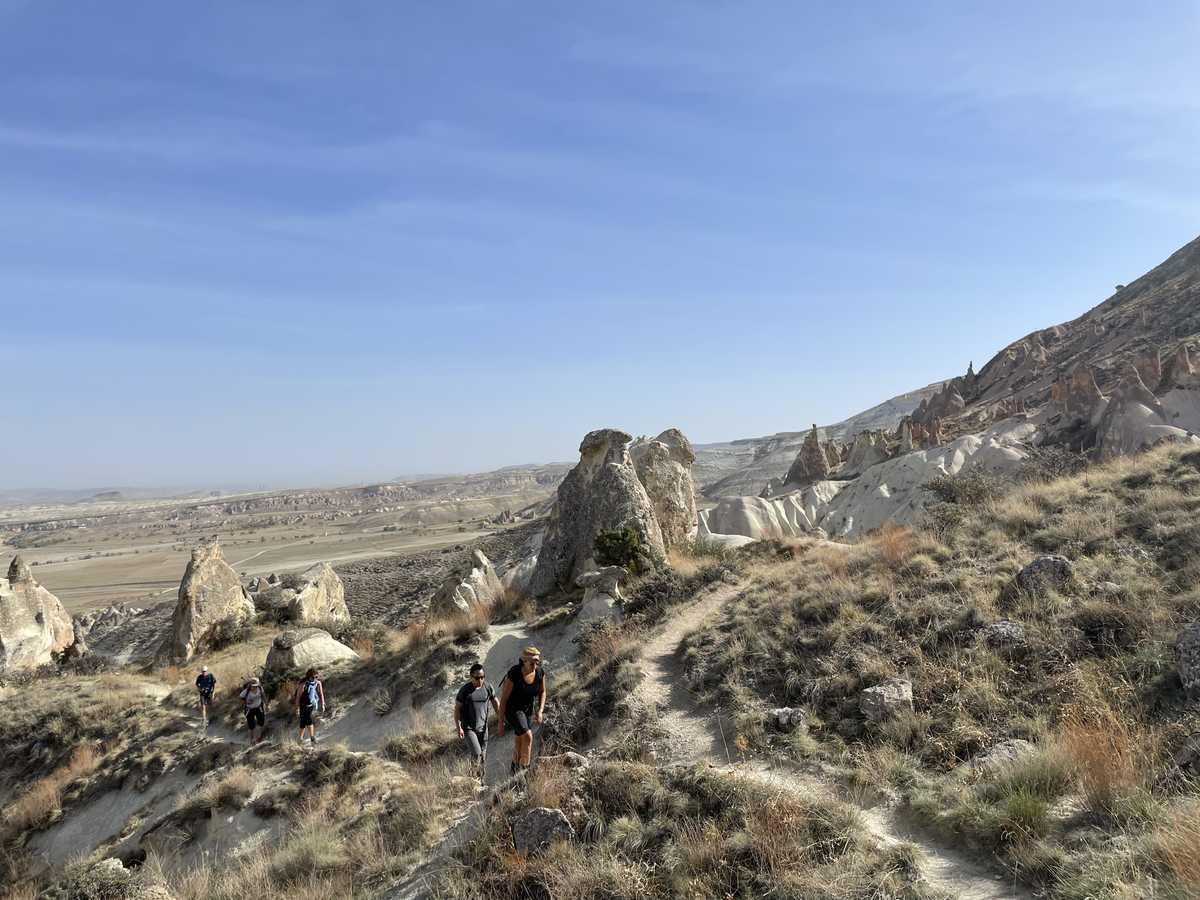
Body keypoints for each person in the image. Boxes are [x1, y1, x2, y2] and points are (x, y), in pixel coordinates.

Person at [496, 646, 546, 776]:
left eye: (537, 662)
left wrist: (540, 710)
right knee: (528, 736)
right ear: (524, 661)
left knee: (519, 740)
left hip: (527, 709)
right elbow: (504, 699)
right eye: (532, 662)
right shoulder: (515, 673)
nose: (535, 665)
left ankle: (513, 772)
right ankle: (524, 774)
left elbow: (542, 691)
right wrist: (501, 722)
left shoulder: (540, 673)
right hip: (513, 709)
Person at [454, 662, 500, 781]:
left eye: (482, 677)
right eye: (477, 677)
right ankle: (473, 778)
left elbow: (495, 702)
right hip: (469, 728)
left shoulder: (488, 687)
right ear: (471, 677)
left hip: (483, 728)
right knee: (476, 753)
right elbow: (457, 710)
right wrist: (459, 727)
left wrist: (501, 718)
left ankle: (480, 780)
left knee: (483, 756)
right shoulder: (465, 690)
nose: (480, 680)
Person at [291, 668, 325, 747]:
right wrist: (297, 709)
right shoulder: (303, 684)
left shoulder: (318, 683)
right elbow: (298, 697)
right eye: (313, 677)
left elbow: (321, 693)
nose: (315, 679)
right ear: (309, 677)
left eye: (316, 677)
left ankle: (302, 738)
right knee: (307, 721)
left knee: (305, 721)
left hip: (311, 705)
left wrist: (323, 704)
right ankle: (311, 738)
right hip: (303, 706)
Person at [240, 676, 268, 743]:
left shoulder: (260, 688)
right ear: (250, 685)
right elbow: (241, 698)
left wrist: (266, 704)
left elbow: (263, 695)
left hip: (259, 707)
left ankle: (258, 738)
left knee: (261, 722)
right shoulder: (246, 691)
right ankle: (251, 740)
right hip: (249, 709)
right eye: (253, 686)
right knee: (251, 726)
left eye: (256, 685)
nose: (254, 687)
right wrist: (247, 702)